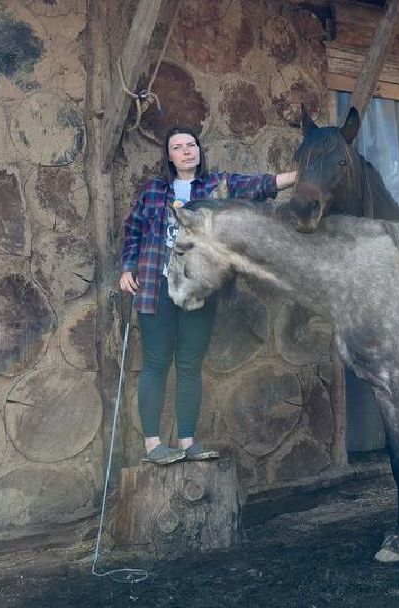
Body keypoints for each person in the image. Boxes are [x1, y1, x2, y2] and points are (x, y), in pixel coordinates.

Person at [119, 126, 296, 465]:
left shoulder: (217, 186)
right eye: (178, 147)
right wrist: (127, 268)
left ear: (199, 150)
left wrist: (299, 176)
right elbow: (134, 230)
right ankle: (153, 446)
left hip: (198, 290)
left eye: (191, 145)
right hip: (156, 287)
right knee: (156, 363)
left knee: (189, 365)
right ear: (169, 156)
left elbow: (257, 185)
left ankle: (187, 442)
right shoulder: (153, 191)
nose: (187, 151)